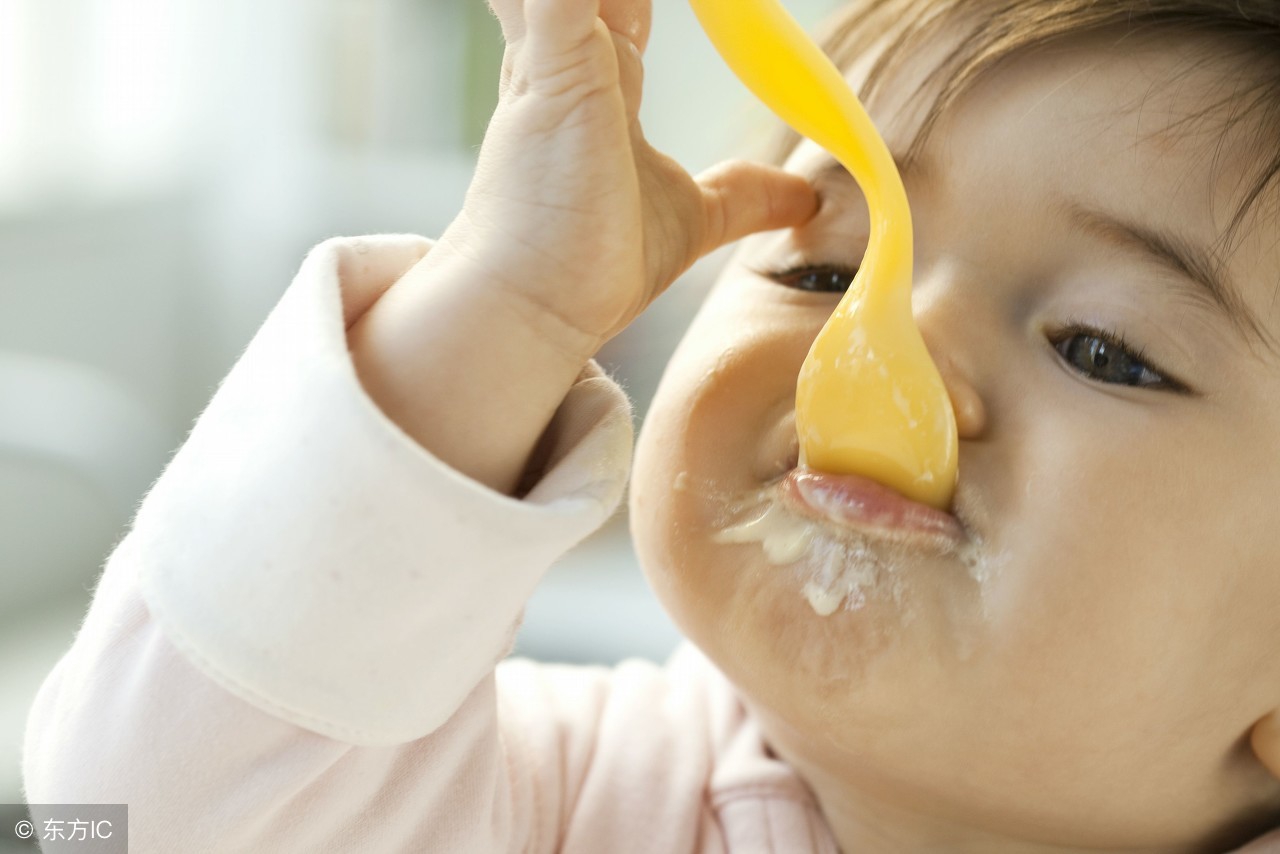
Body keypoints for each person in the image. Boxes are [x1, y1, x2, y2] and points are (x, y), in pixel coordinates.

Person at [23, 0, 1280, 850]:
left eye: (1101, 348)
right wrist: (508, 302)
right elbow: (136, 805)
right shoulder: (563, 796)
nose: (881, 343)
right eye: (827, 268)